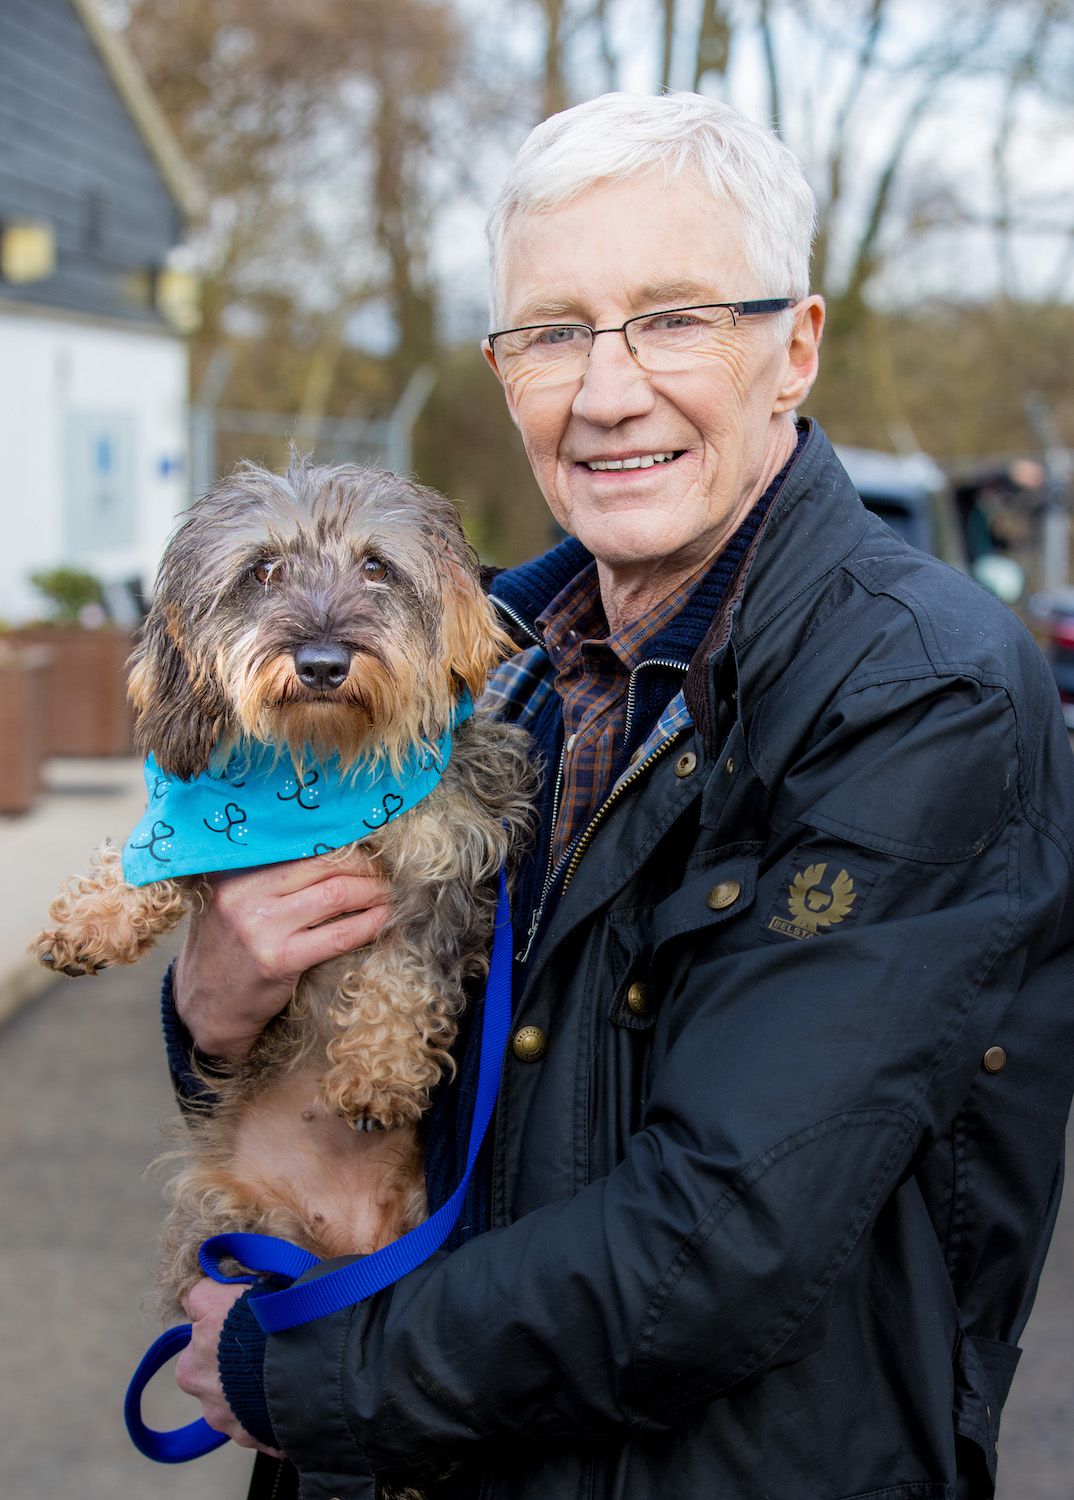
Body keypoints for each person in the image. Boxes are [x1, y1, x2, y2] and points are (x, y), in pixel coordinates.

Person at [166, 92, 1074, 1499]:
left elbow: (724, 1233)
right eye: (553, 331)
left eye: (673, 318)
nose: (605, 390)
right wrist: (210, 1013)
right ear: (499, 366)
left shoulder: (918, 691)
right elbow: (368, 1052)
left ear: (795, 347)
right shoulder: (493, 667)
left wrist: (300, 1378)